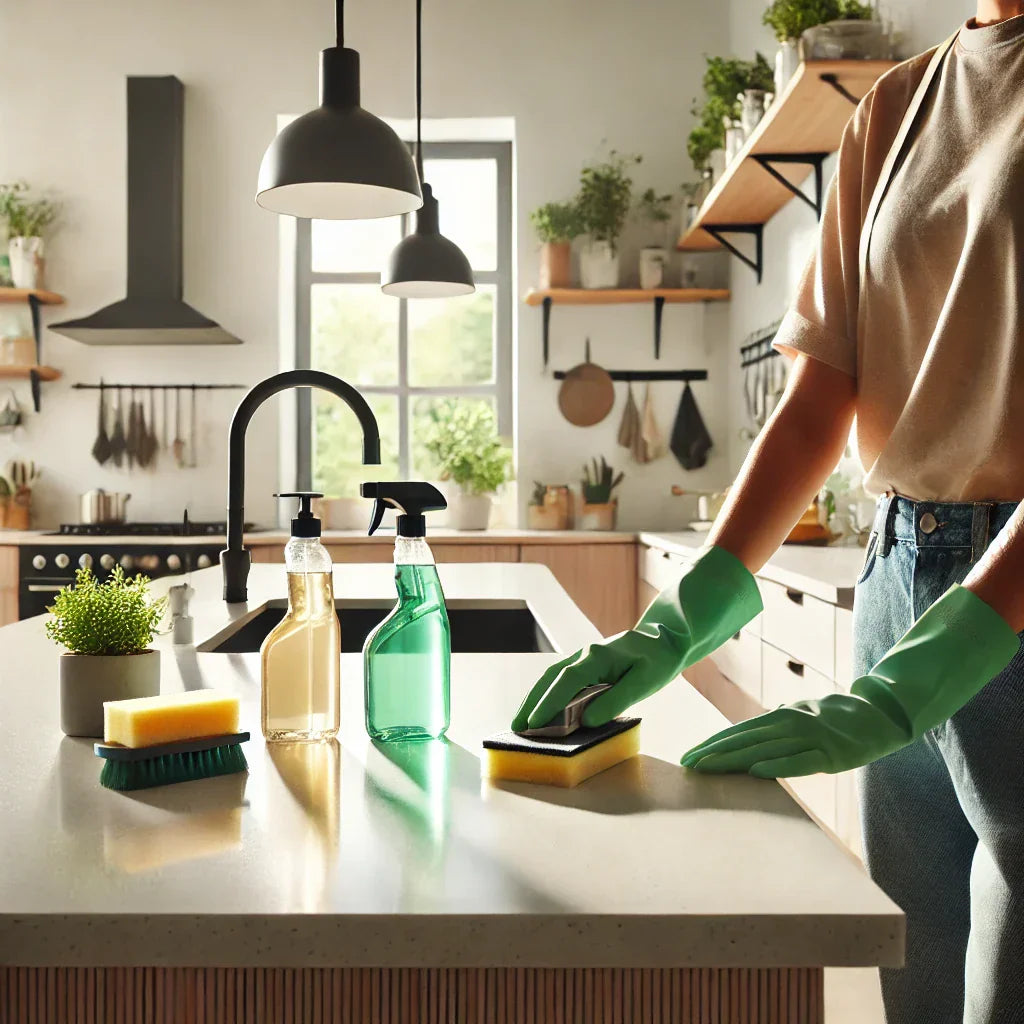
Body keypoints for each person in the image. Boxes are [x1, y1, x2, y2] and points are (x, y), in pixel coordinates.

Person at [513, 5, 1024, 1022]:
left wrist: (932, 671)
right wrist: (679, 619)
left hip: (1005, 606)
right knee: (914, 986)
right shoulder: (896, 104)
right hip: (896, 581)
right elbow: (821, 395)